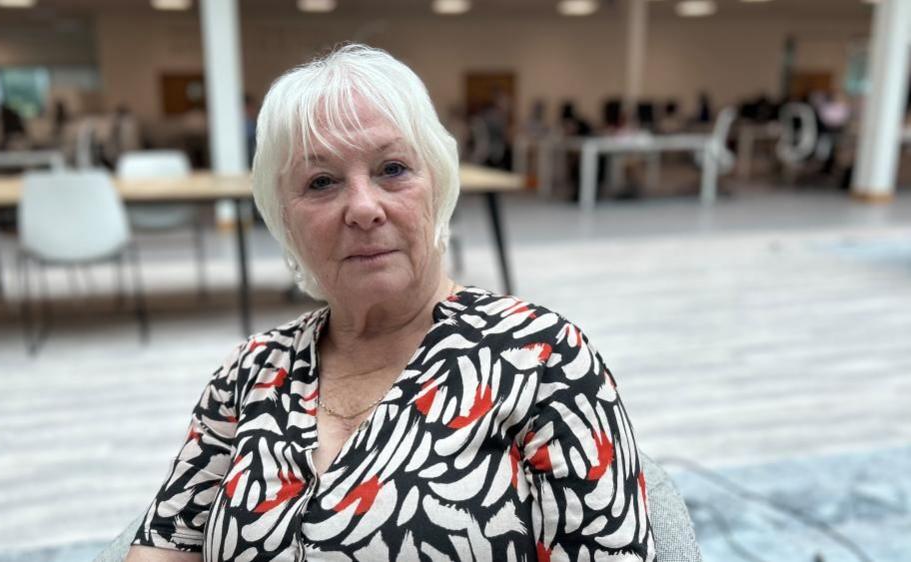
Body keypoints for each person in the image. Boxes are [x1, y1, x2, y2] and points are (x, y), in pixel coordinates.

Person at [127, 44, 655, 562]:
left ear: (438, 186)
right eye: (321, 181)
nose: (362, 207)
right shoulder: (249, 372)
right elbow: (165, 544)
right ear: (284, 219)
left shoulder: (542, 357)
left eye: (393, 169)